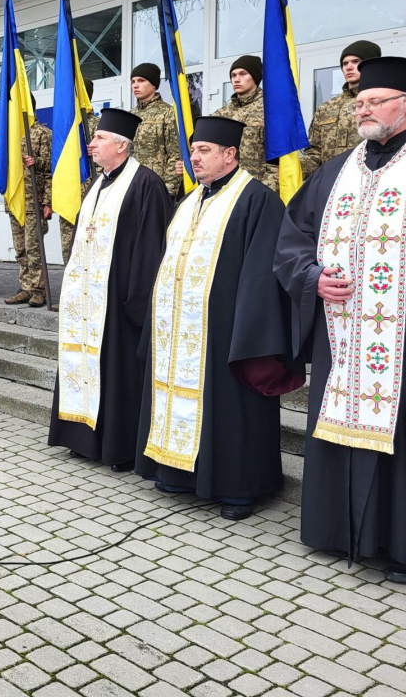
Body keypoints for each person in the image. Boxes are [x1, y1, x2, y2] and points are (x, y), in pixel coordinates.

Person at [274, 56, 406, 583]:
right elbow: (293, 237)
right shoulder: (336, 170)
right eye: (359, 103)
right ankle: (334, 529)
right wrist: (311, 278)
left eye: (375, 101)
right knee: (337, 423)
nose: (362, 110)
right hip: (340, 337)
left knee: (404, 439)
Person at [135, 116, 301, 521]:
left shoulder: (257, 199)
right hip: (180, 329)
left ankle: (238, 487)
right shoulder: (190, 201)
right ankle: (179, 472)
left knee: (231, 408)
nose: (195, 158)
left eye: (203, 151)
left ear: (230, 154)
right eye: (192, 150)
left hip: (228, 331)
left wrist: (246, 332)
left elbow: (264, 274)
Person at [49, 109, 172, 471]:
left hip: (119, 299)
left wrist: (136, 300)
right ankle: (82, 438)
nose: (92, 144)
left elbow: (152, 248)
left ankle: (117, 448)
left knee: (117, 372)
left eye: (99, 138)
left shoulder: (145, 183)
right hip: (88, 298)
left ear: (122, 145)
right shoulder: (98, 184)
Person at [301, 40, 382, 178]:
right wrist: (297, 169)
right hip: (330, 183)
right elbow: (314, 152)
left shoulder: (386, 102)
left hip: (369, 181)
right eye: (345, 63)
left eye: (356, 62)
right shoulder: (327, 107)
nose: (348, 67)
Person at [5, 97, 53, 308]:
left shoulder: (43, 133)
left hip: (35, 199)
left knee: (34, 248)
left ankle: (38, 289)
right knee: (20, 249)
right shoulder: (10, 134)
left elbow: (53, 168)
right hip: (16, 199)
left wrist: (48, 202)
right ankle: (25, 287)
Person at [213, 55, 271, 191]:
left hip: (257, 187)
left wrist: (266, 192)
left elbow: (279, 160)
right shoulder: (221, 114)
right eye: (233, 75)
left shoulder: (271, 109)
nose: (236, 79)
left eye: (243, 74)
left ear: (255, 77)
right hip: (225, 188)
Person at [60, 78, 101, 265]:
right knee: (68, 244)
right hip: (68, 190)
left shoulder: (98, 125)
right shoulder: (65, 127)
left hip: (91, 192)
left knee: (91, 242)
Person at [131, 63, 182, 200]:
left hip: (156, 186)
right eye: (133, 81)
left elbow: (175, 153)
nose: (135, 85)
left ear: (154, 84)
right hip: (131, 185)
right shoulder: (130, 115)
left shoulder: (168, 113)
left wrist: (168, 190)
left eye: (141, 81)